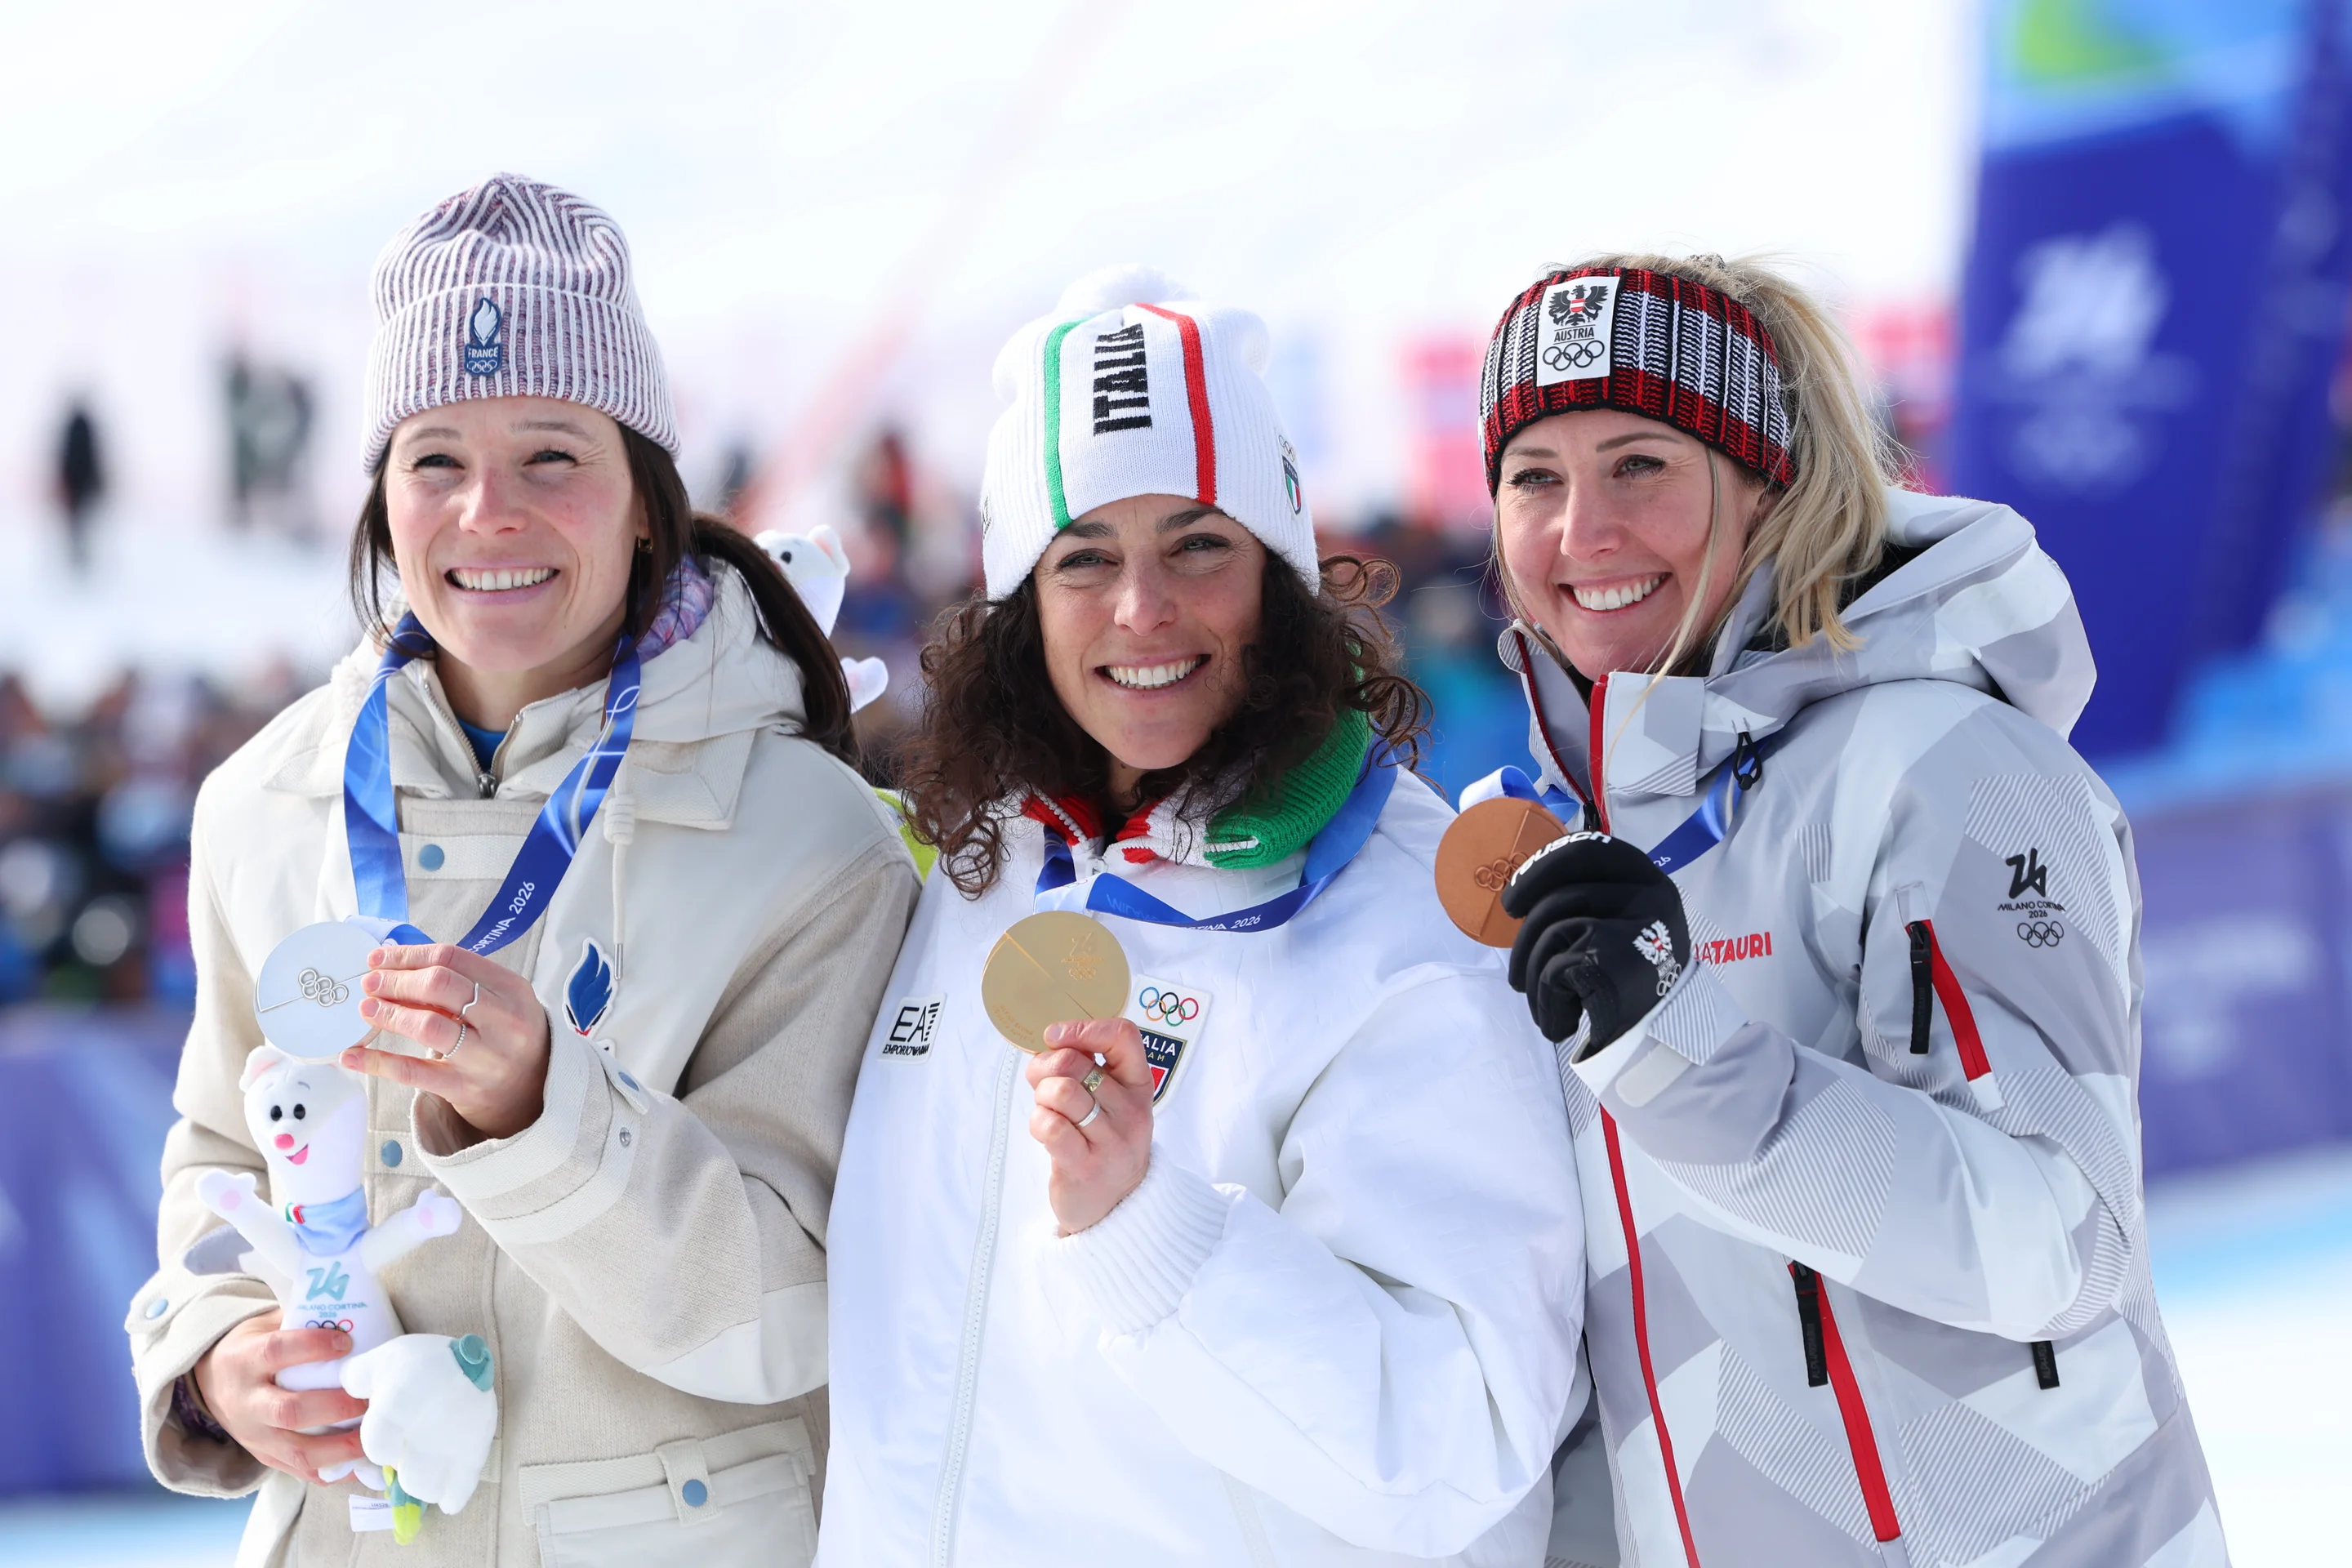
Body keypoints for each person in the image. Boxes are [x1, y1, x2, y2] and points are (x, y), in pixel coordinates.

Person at [125, 173, 918, 1566]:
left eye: (553, 455)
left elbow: (791, 1306)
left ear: (645, 503)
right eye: (435, 458)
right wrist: (218, 1352)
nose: (488, 512)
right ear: (379, 498)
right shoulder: (265, 803)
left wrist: (543, 1114)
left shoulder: (809, 833)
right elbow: (219, 1160)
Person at [817, 268, 1587, 1566]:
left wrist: (1151, 1236)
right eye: (1085, 559)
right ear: (1019, 606)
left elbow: (1469, 1443)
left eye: (1198, 543)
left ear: (1279, 576)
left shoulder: (1400, 922)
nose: (1143, 609)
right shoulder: (973, 876)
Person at [1473, 256, 2225, 1567]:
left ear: (1768, 481)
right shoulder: (1537, 838)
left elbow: (2066, 1242)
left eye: (1640, 463)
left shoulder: (1946, 770)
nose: (1581, 531)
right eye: (1535, 477)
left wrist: (1674, 1050)